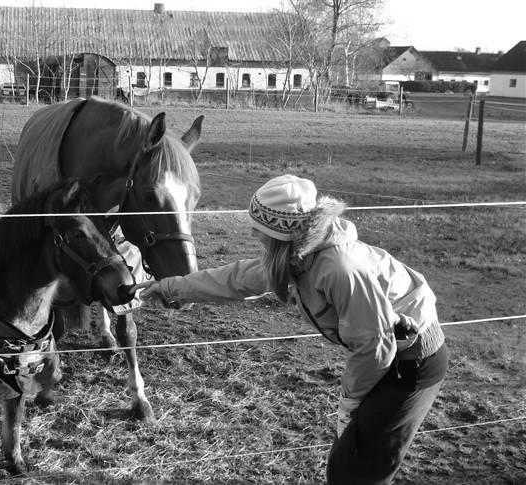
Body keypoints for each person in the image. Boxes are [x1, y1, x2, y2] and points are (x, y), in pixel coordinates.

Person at [134, 174, 448, 485]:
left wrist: (350, 404)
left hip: (411, 360)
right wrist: (169, 287)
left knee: (359, 468)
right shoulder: (299, 257)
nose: (254, 236)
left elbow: (374, 345)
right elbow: (238, 279)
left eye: (260, 231)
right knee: (348, 465)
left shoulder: (340, 268)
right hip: (385, 355)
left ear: (279, 234)